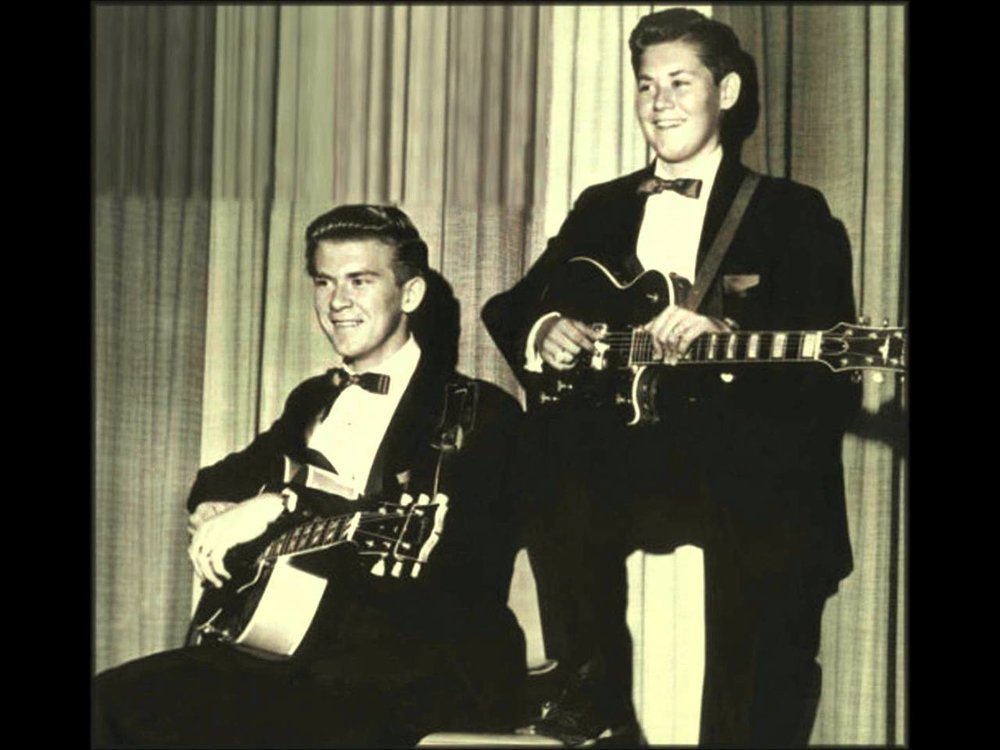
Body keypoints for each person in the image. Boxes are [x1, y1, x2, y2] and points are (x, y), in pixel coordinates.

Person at [482, 8, 860, 747]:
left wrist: (728, 339)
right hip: (624, 456)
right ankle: (595, 700)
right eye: (646, 86)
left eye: (680, 83)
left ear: (727, 90)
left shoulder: (792, 212)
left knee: (772, 528)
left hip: (744, 451)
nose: (660, 103)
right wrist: (544, 329)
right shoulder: (602, 206)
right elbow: (513, 304)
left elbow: (829, 373)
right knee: (536, 464)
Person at [93, 205, 528, 747]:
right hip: (288, 658)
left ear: (410, 295)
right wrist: (216, 513)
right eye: (324, 282)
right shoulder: (312, 399)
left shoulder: (478, 412)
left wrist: (280, 505)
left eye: (360, 281)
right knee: (106, 704)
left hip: (413, 666)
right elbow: (221, 477)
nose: (337, 302)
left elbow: (459, 560)